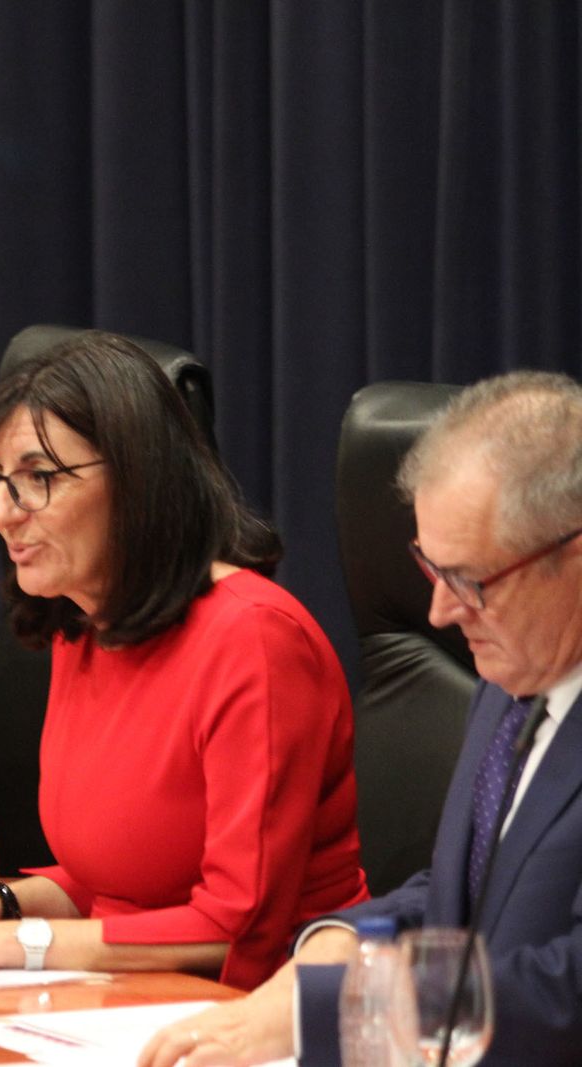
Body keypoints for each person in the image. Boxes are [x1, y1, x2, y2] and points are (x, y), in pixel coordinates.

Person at [0, 332, 368, 990]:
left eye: (37, 479)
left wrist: (9, 943)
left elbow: (235, 922)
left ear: (139, 479)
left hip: (265, 1008)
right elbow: (113, 880)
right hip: (117, 999)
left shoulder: (255, 638)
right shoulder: (80, 627)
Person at [142, 371, 582, 1067]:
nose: (439, 613)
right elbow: (461, 896)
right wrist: (343, 938)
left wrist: (330, 1004)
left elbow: (568, 991)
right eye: (430, 570)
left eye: (470, 581)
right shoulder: (513, 680)